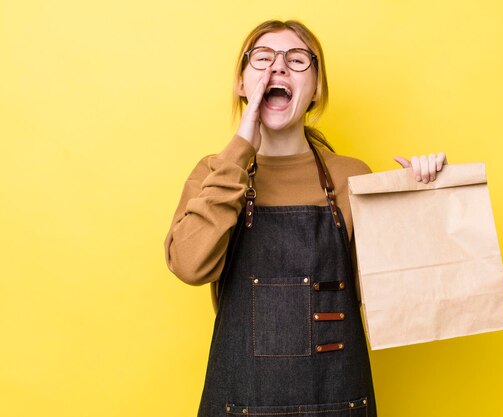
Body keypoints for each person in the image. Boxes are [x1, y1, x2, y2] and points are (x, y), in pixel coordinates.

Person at [164, 19, 446, 417]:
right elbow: (190, 265)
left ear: (315, 89)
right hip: (239, 403)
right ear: (242, 84)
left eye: (297, 60)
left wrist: (422, 198)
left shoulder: (352, 176)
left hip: (339, 403)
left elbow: (389, 295)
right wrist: (241, 148)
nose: (278, 67)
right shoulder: (216, 172)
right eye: (262, 58)